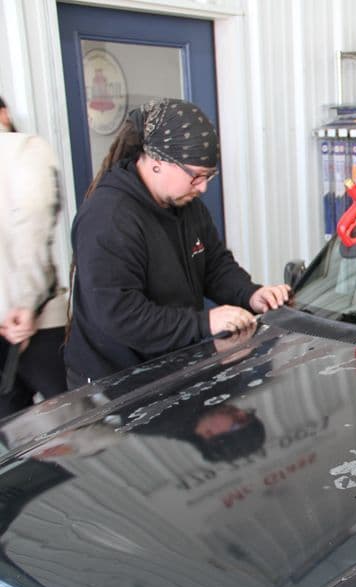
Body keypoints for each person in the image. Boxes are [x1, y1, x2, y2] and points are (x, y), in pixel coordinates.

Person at [65, 98, 290, 387]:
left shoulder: (186, 205)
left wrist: (250, 294)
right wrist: (204, 323)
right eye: (196, 176)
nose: (203, 187)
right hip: (113, 385)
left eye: (209, 176)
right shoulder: (109, 218)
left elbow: (214, 265)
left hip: (169, 365)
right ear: (158, 163)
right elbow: (121, 314)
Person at [0, 95, 69, 418]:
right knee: (74, 419)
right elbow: (34, 216)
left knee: (9, 434)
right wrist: (25, 304)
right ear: (4, 114)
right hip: (33, 321)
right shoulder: (24, 149)